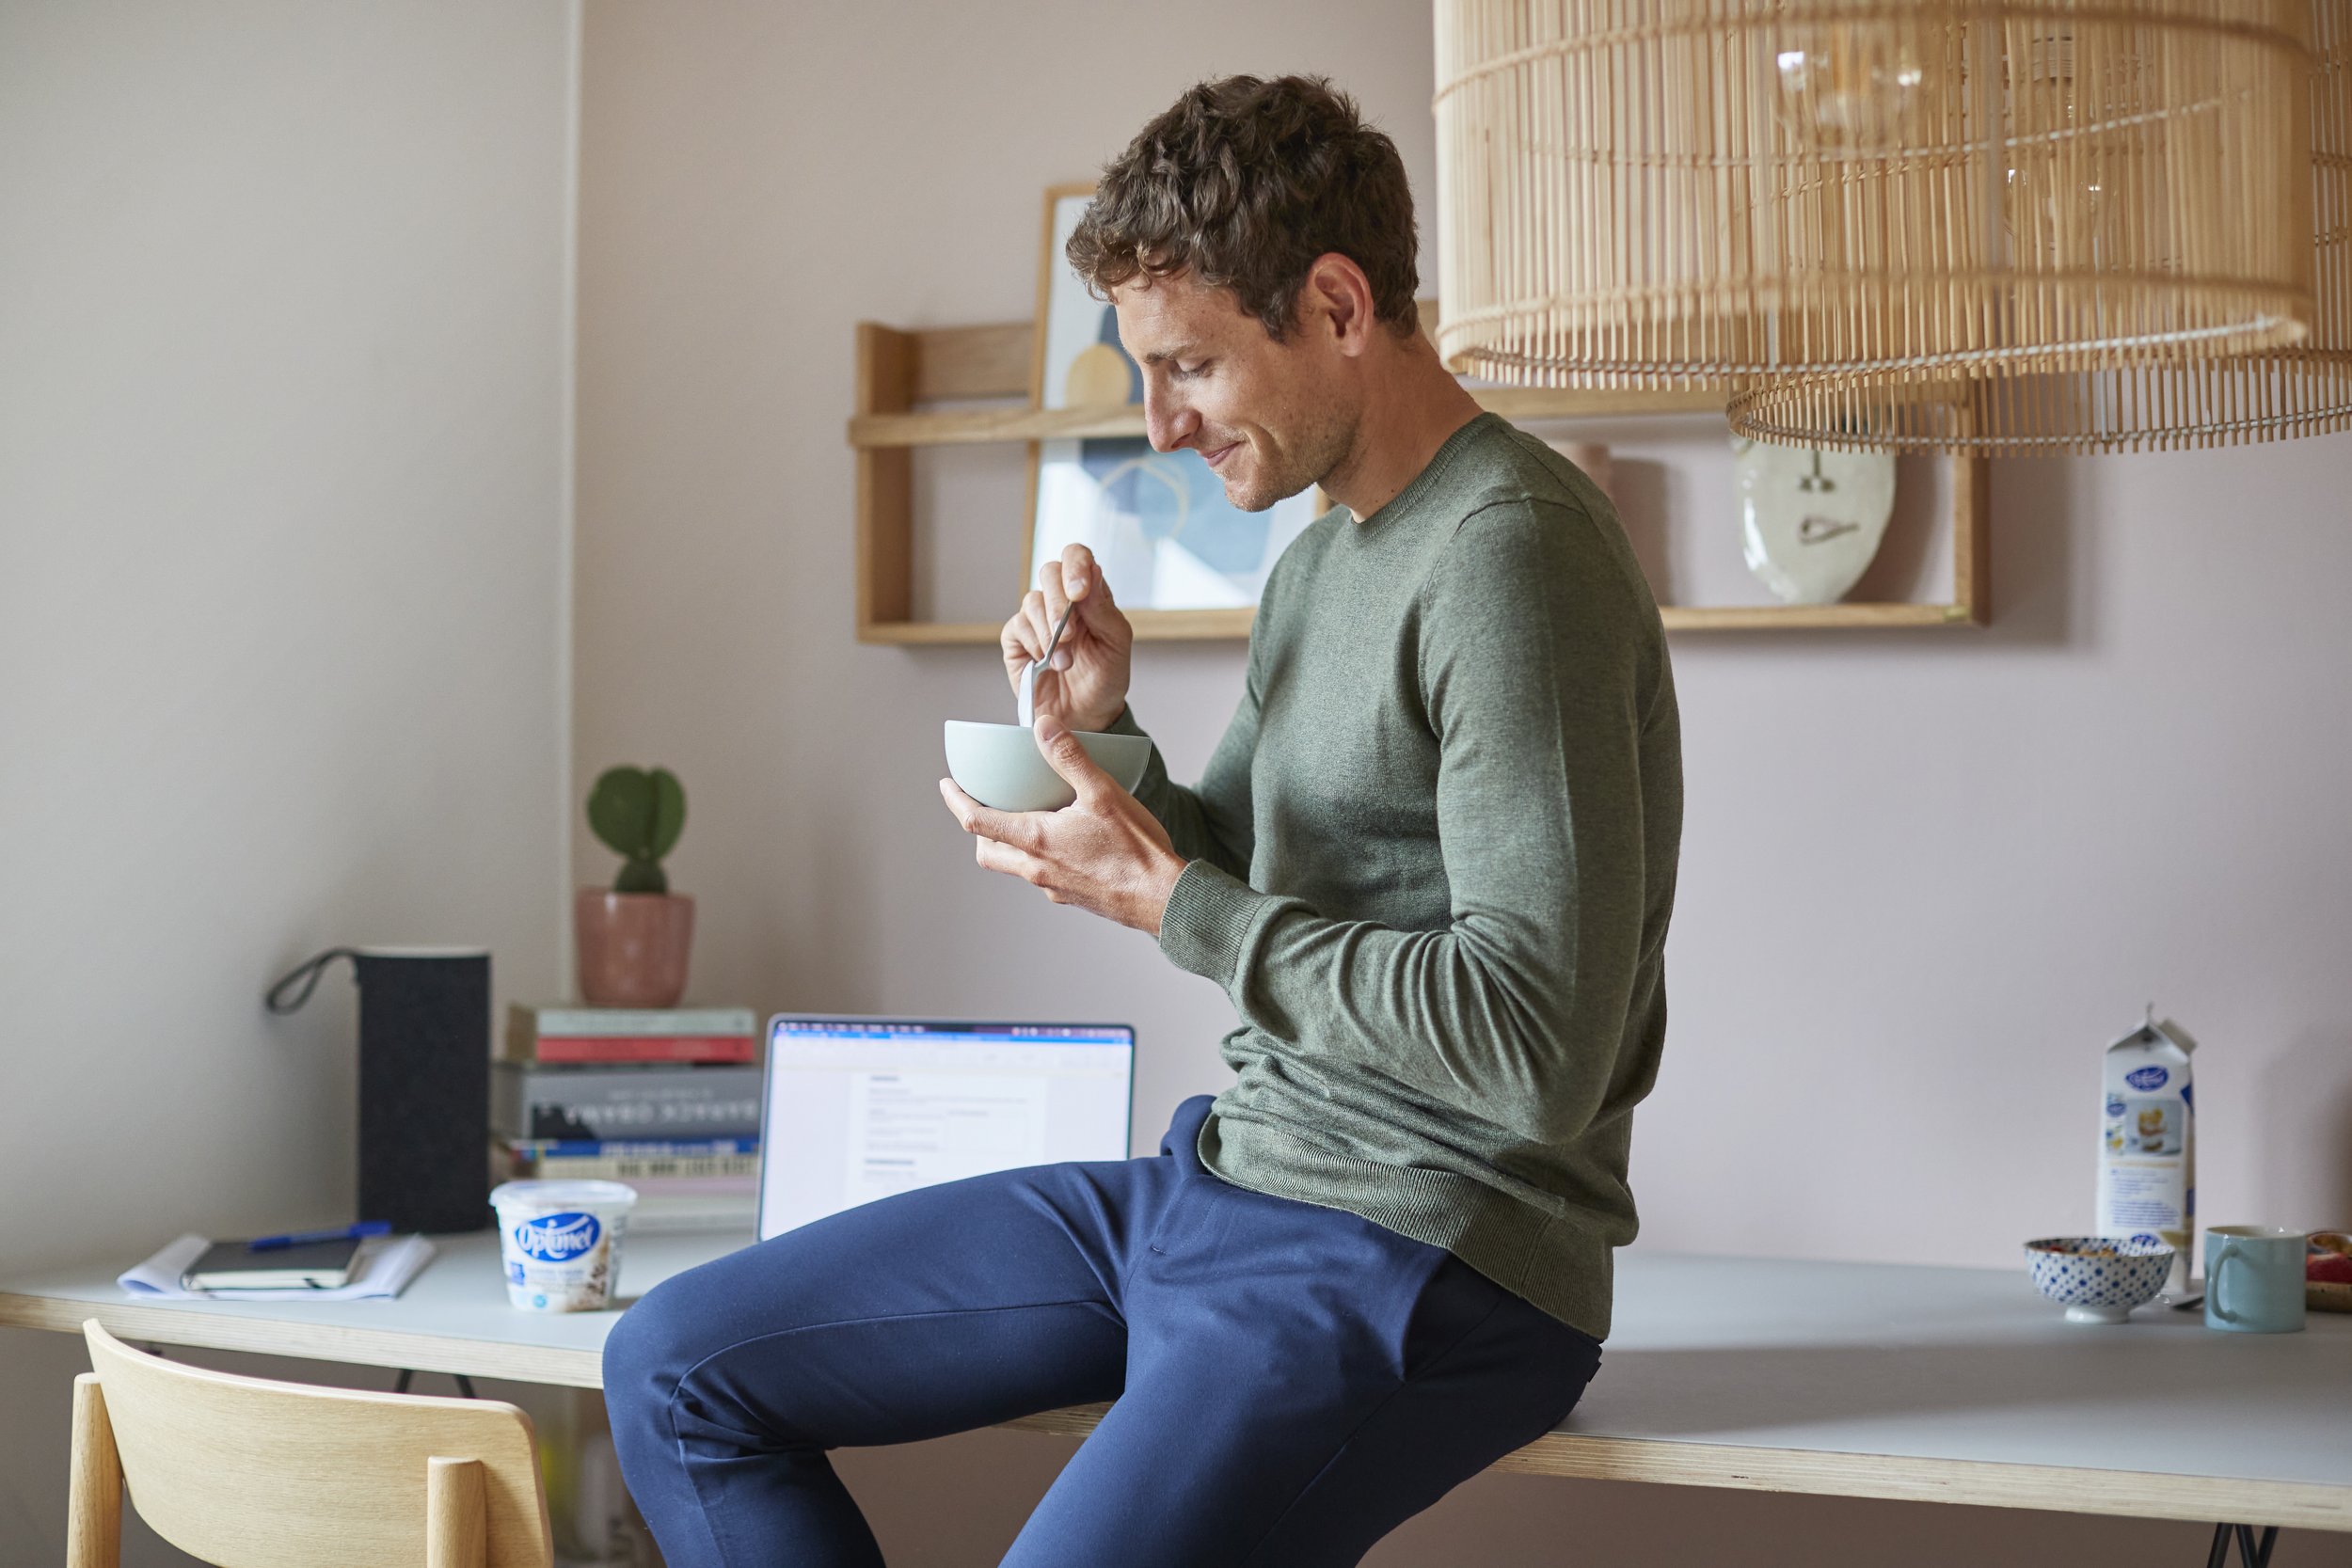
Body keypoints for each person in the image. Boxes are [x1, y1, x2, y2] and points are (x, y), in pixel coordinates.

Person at [604, 73, 1682, 1568]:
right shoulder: (1326, 558)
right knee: (672, 1370)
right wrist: (1103, 736)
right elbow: (1240, 865)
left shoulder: (1513, 556)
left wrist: (1172, 901)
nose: (1163, 427)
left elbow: (1535, 1050)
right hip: (1229, 1179)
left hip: (1431, 1253)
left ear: (1337, 303)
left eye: (1192, 369)